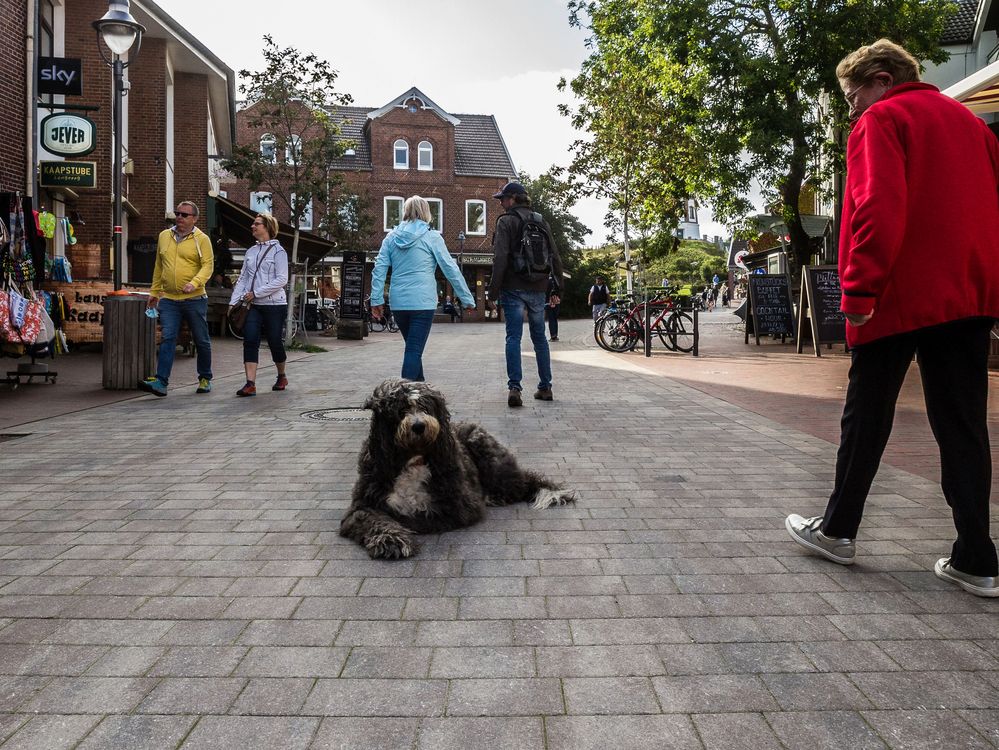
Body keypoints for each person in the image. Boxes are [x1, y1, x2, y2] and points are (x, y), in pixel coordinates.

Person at [785, 39, 999, 597]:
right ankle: (977, 557)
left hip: (899, 294)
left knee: (868, 414)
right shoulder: (974, 126)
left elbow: (877, 204)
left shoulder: (883, 118)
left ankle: (838, 530)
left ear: (881, 79)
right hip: (970, 296)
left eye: (854, 96)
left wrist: (858, 289)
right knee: (964, 427)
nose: (853, 109)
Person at [371, 195, 474, 381]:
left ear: (406, 212)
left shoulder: (390, 238)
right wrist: (466, 299)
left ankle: (421, 395)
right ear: (426, 213)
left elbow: (379, 269)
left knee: (413, 349)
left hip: (399, 303)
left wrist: (376, 300)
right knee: (413, 350)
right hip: (422, 303)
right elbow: (450, 269)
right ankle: (403, 398)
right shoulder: (432, 237)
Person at [487, 181, 564, 407]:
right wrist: (558, 287)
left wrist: (493, 290)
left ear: (512, 199)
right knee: (540, 338)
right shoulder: (540, 221)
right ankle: (545, 387)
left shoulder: (506, 221)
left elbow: (500, 258)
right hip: (538, 287)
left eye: (503, 198)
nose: (501, 202)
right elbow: (555, 256)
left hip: (512, 288)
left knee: (513, 337)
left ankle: (514, 389)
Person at [139, 201, 214, 397]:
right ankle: (161, 382)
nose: (179, 217)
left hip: (195, 298)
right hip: (169, 299)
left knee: (201, 340)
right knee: (168, 338)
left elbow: (208, 266)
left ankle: (205, 377)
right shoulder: (165, 236)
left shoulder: (202, 239)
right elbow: (158, 266)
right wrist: (154, 293)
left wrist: (195, 282)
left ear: (194, 219)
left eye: (184, 215)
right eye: (177, 213)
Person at [228, 213, 289, 397]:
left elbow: (282, 279)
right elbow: (243, 279)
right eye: (253, 224)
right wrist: (233, 301)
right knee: (250, 340)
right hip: (252, 305)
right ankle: (250, 383)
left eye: (257, 224)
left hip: (274, 305)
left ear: (268, 227)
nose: (253, 226)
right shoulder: (250, 252)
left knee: (274, 341)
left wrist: (257, 293)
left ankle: (281, 375)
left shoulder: (279, 252)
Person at [546, 273, 561, 341]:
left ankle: (553, 336)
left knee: (551, 319)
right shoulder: (557, 281)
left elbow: (546, 291)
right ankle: (555, 335)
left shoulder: (547, 281)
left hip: (549, 301)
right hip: (557, 300)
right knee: (555, 319)